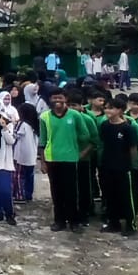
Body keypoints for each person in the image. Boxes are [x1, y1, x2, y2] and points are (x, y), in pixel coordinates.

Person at [39, 90, 87, 232]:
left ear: (65, 98)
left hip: (70, 159)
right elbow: (42, 141)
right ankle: (59, 221)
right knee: (56, 191)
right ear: (50, 100)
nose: (57, 100)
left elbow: (85, 136)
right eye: (54, 98)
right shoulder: (44, 117)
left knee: (71, 191)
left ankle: (74, 221)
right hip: (51, 158)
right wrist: (42, 162)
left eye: (60, 97)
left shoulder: (75, 115)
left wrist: (80, 152)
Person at [98, 95, 138, 236]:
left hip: (124, 168)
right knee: (110, 196)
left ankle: (130, 224)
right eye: (106, 108)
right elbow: (103, 144)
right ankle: (113, 223)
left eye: (111, 108)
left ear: (121, 110)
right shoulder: (104, 126)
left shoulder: (128, 128)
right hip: (107, 166)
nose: (107, 111)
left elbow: (133, 149)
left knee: (127, 197)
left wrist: (134, 166)